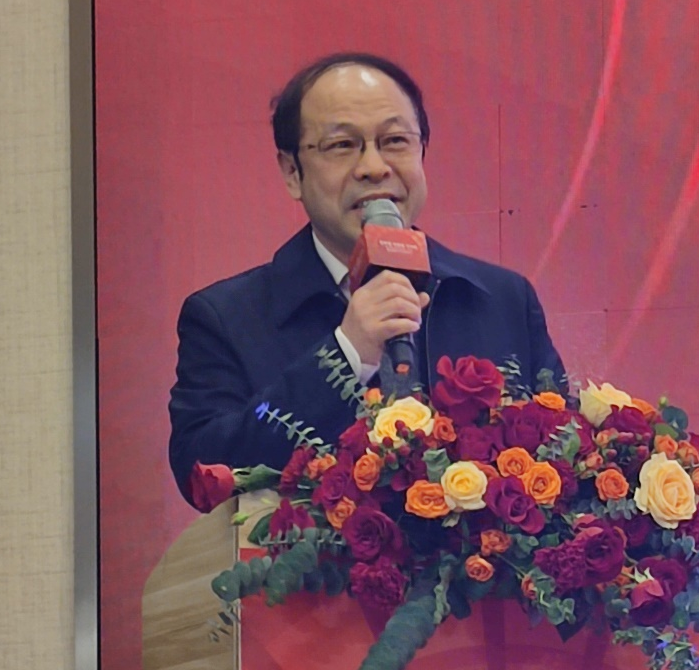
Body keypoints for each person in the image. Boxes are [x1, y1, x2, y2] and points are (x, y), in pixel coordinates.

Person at [169, 52, 567, 504]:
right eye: (342, 145)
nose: (374, 167)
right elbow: (203, 471)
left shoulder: (502, 299)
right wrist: (346, 354)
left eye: (395, 141)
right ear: (292, 172)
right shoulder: (226, 318)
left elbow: (567, 460)